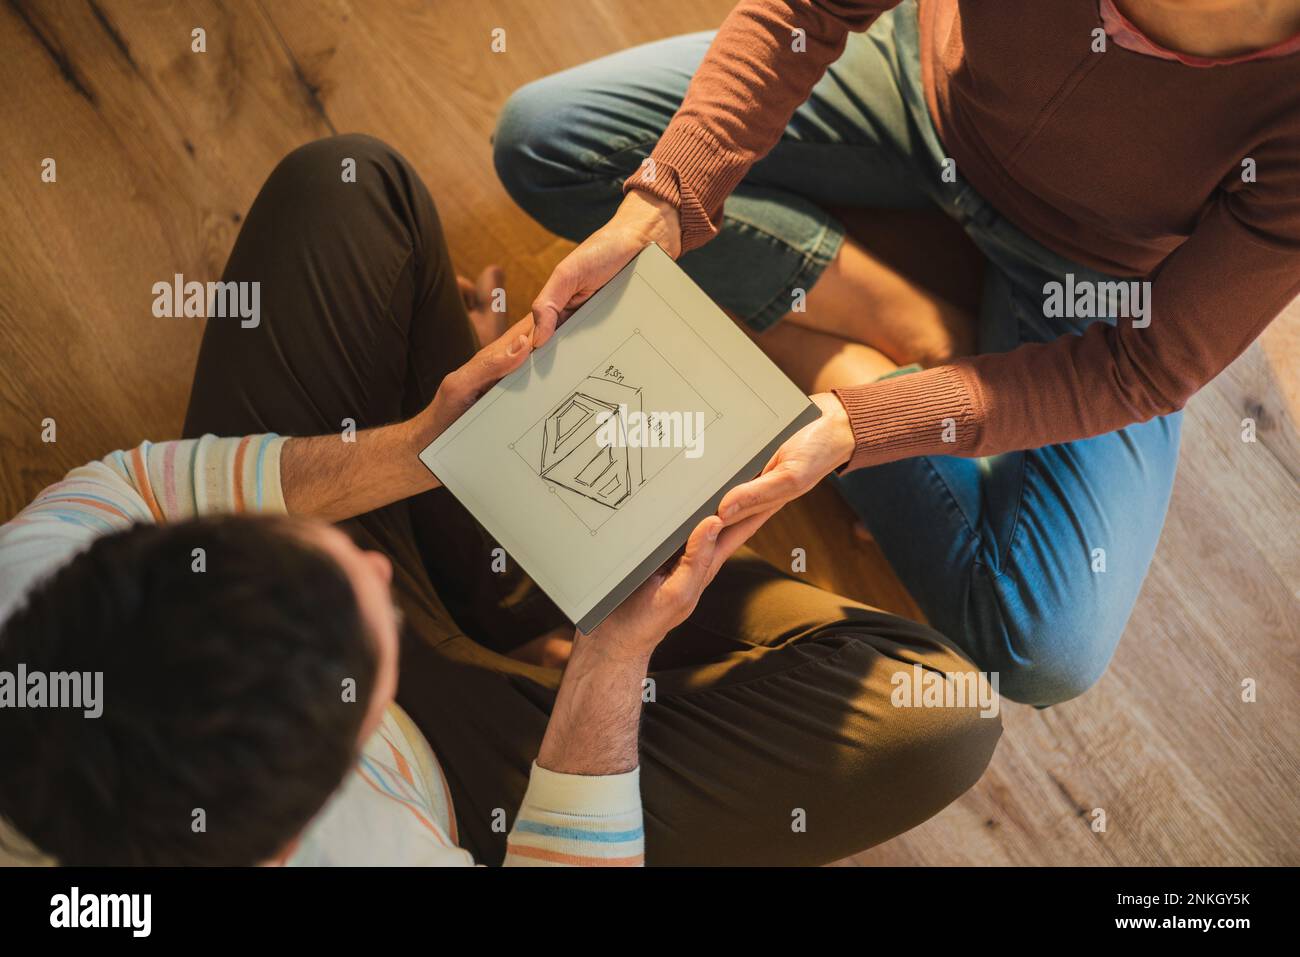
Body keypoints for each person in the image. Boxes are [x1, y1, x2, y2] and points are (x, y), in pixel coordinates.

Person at [0, 135, 999, 867]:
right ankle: (576, 571)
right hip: (470, 786)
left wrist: (417, 448)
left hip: (367, 573)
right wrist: (612, 660)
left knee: (349, 186)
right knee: (941, 707)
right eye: (360, 595)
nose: (369, 564)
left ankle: (519, 548)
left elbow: (142, 484)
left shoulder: (27, 591)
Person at [493, 0, 1300, 706]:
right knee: (545, 144)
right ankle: (904, 315)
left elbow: (1145, 367)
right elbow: (806, 10)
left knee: (1044, 647)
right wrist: (666, 200)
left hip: (1093, 271)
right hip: (919, 95)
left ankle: (819, 341)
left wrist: (862, 418)